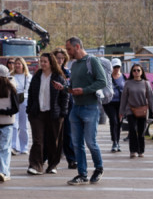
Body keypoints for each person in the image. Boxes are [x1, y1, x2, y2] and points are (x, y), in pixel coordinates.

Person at [64, 36, 109, 184]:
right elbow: (73, 87)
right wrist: (64, 88)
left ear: (77, 47)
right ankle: (82, 174)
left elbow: (102, 81)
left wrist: (84, 90)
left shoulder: (92, 61)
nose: (68, 52)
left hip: (90, 107)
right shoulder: (74, 65)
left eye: (69, 49)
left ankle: (99, 168)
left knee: (90, 142)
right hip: (76, 108)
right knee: (77, 144)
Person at [26, 52, 66, 174]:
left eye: (45, 61)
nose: (42, 63)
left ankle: (52, 165)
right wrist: (29, 109)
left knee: (53, 141)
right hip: (37, 114)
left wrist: (63, 112)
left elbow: (65, 96)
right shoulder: (37, 76)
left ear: (51, 63)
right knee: (38, 141)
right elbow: (31, 93)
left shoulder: (58, 77)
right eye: (41, 61)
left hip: (54, 114)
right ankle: (35, 166)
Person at [0, 64, 21, 182]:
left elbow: (15, 108)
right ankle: (1, 171)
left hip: (7, 124)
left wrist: (0, 111)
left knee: (4, 148)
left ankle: (3, 172)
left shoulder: (11, 89)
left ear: (0, 77)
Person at [120, 63, 153, 157]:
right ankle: (133, 151)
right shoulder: (128, 83)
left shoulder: (146, 83)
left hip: (142, 110)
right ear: (132, 72)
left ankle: (141, 151)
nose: (136, 72)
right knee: (132, 129)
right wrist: (121, 112)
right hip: (130, 109)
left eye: (138, 70)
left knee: (141, 131)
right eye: (134, 70)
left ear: (141, 72)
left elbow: (151, 97)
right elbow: (124, 98)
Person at [52, 47, 75, 170]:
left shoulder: (68, 72)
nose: (60, 60)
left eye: (62, 58)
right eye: (58, 58)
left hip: (68, 105)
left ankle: (72, 159)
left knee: (68, 133)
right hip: (53, 105)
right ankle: (49, 159)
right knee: (52, 134)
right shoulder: (50, 72)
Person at [9, 57, 31, 156]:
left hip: (24, 101)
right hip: (13, 101)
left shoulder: (28, 76)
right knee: (14, 125)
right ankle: (14, 147)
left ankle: (24, 147)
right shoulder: (10, 76)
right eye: (16, 64)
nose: (17, 65)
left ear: (23, 65)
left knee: (24, 126)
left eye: (19, 63)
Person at [106, 61, 127, 152]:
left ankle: (117, 142)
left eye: (118, 67)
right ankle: (114, 141)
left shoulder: (124, 77)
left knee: (119, 122)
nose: (116, 69)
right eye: (115, 67)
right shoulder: (108, 77)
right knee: (113, 120)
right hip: (109, 103)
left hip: (121, 103)